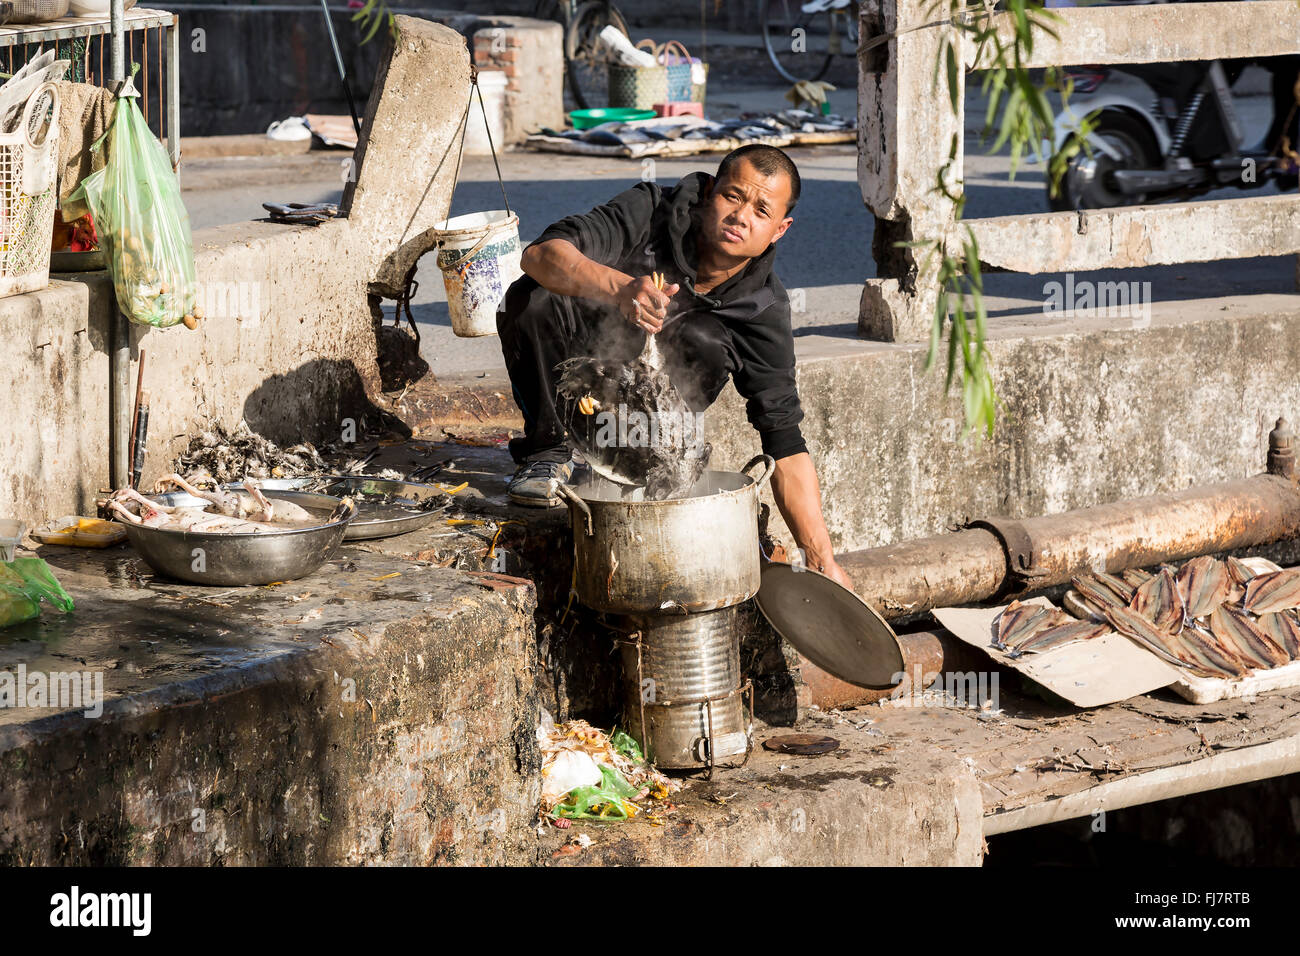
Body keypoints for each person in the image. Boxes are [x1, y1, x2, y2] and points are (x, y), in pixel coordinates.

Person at [496, 144, 851, 589]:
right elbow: (540, 255)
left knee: (708, 340)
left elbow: (783, 438)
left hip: (644, 429)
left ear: (779, 230)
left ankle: (640, 462)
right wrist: (620, 288)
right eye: (733, 196)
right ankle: (548, 455)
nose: (741, 216)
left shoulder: (763, 308)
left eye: (762, 210)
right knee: (531, 296)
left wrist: (820, 558)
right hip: (576, 377)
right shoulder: (650, 211)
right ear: (708, 192)